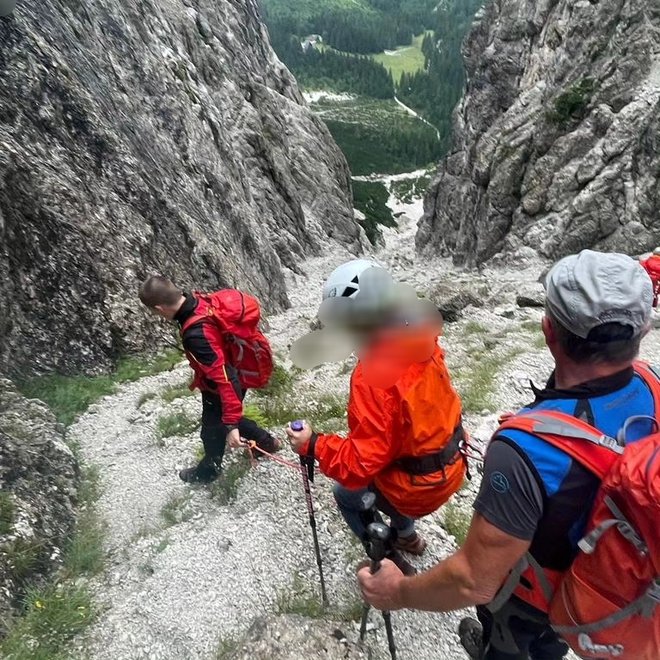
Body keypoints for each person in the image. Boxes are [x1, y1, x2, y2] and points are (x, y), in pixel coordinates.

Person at [357, 250, 656, 659]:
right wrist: (544, 428)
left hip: (533, 600)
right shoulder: (650, 383)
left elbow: (473, 581)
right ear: (640, 331)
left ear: (548, 330)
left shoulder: (522, 454)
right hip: (618, 571)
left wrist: (397, 591)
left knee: (514, 644)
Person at [286, 259, 467, 575]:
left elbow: (360, 463)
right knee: (390, 470)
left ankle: (388, 563)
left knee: (346, 493)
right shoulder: (422, 339)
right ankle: (408, 537)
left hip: (418, 489)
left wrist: (312, 444)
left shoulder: (374, 375)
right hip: (452, 467)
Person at [139, 276, 280, 483]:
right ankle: (266, 442)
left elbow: (225, 377)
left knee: (212, 429)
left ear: (159, 308)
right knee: (217, 421)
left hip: (225, 383)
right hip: (238, 369)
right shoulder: (199, 302)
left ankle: (209, 471)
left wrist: (232, 426)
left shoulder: (196, 334)